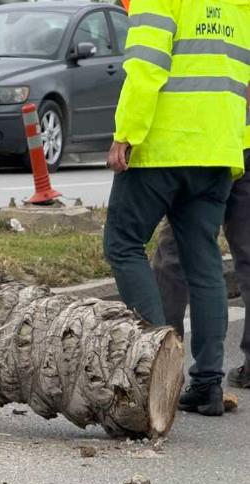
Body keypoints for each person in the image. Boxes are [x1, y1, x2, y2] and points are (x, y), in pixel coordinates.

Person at [103, 0, 250, 416]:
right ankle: (207, 384)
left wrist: (126, 133)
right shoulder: (238, 7)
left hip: (163, 147)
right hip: (218, 151)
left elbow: (145, 67)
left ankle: (155, 364)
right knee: (203, 263)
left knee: (122, 244)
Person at [152, 131, 250, 389]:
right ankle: (208, 378)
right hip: (241, 145)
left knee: (176, 256)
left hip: (210, 149)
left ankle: (162, 368)